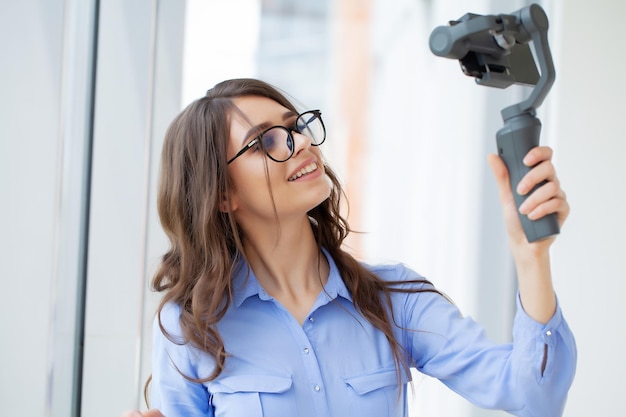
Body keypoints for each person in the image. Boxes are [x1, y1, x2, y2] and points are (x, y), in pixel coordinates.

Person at [132, 78, 576, 417]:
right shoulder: (190, 328)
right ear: (222, 195)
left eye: (295, 127)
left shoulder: (393, 298)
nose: (302, 143)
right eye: (266, 141)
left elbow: (534, 394)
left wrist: (530, 257)